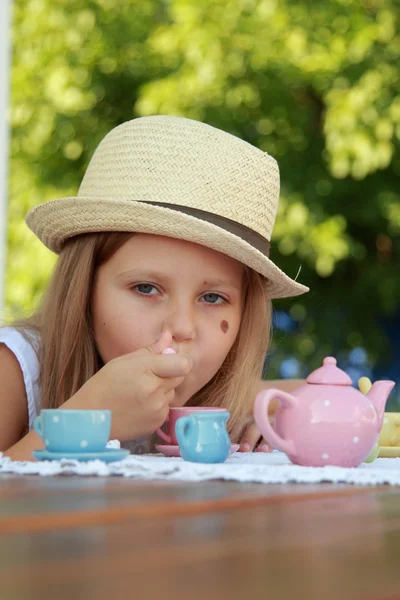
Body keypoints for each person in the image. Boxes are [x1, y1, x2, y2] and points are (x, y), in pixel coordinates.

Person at [0, 115, 308, 461]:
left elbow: (315, 394)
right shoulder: (16, 370)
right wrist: (87, 420)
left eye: (212, 297)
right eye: (146, 288)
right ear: (84, 288)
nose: (181, 327)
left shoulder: (214, 390)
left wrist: (271, 415)